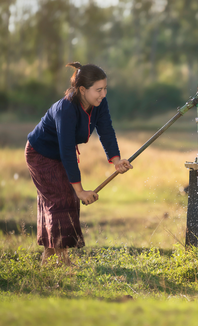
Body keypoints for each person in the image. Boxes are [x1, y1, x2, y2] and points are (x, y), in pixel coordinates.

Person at [25, 62, 133, 266]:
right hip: (40, 154)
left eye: (105, 88)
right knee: (63, 198)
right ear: (82, 90)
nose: (103, 94)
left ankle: (49, 259)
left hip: (58, 154)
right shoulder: (66, 109)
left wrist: (117, 161)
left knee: (63, 199)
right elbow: (67, 152)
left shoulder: (100, 104)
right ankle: (62, 261)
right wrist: (80, 191)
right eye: (98, 90)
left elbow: (106, 130)